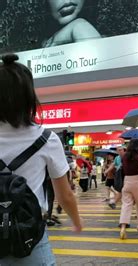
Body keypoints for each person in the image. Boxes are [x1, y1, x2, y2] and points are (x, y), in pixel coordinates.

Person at [0, 54, 82, 265]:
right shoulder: (46, 139)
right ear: (29, 96)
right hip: (30, 238)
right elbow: (64, 195)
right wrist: (76, 222)